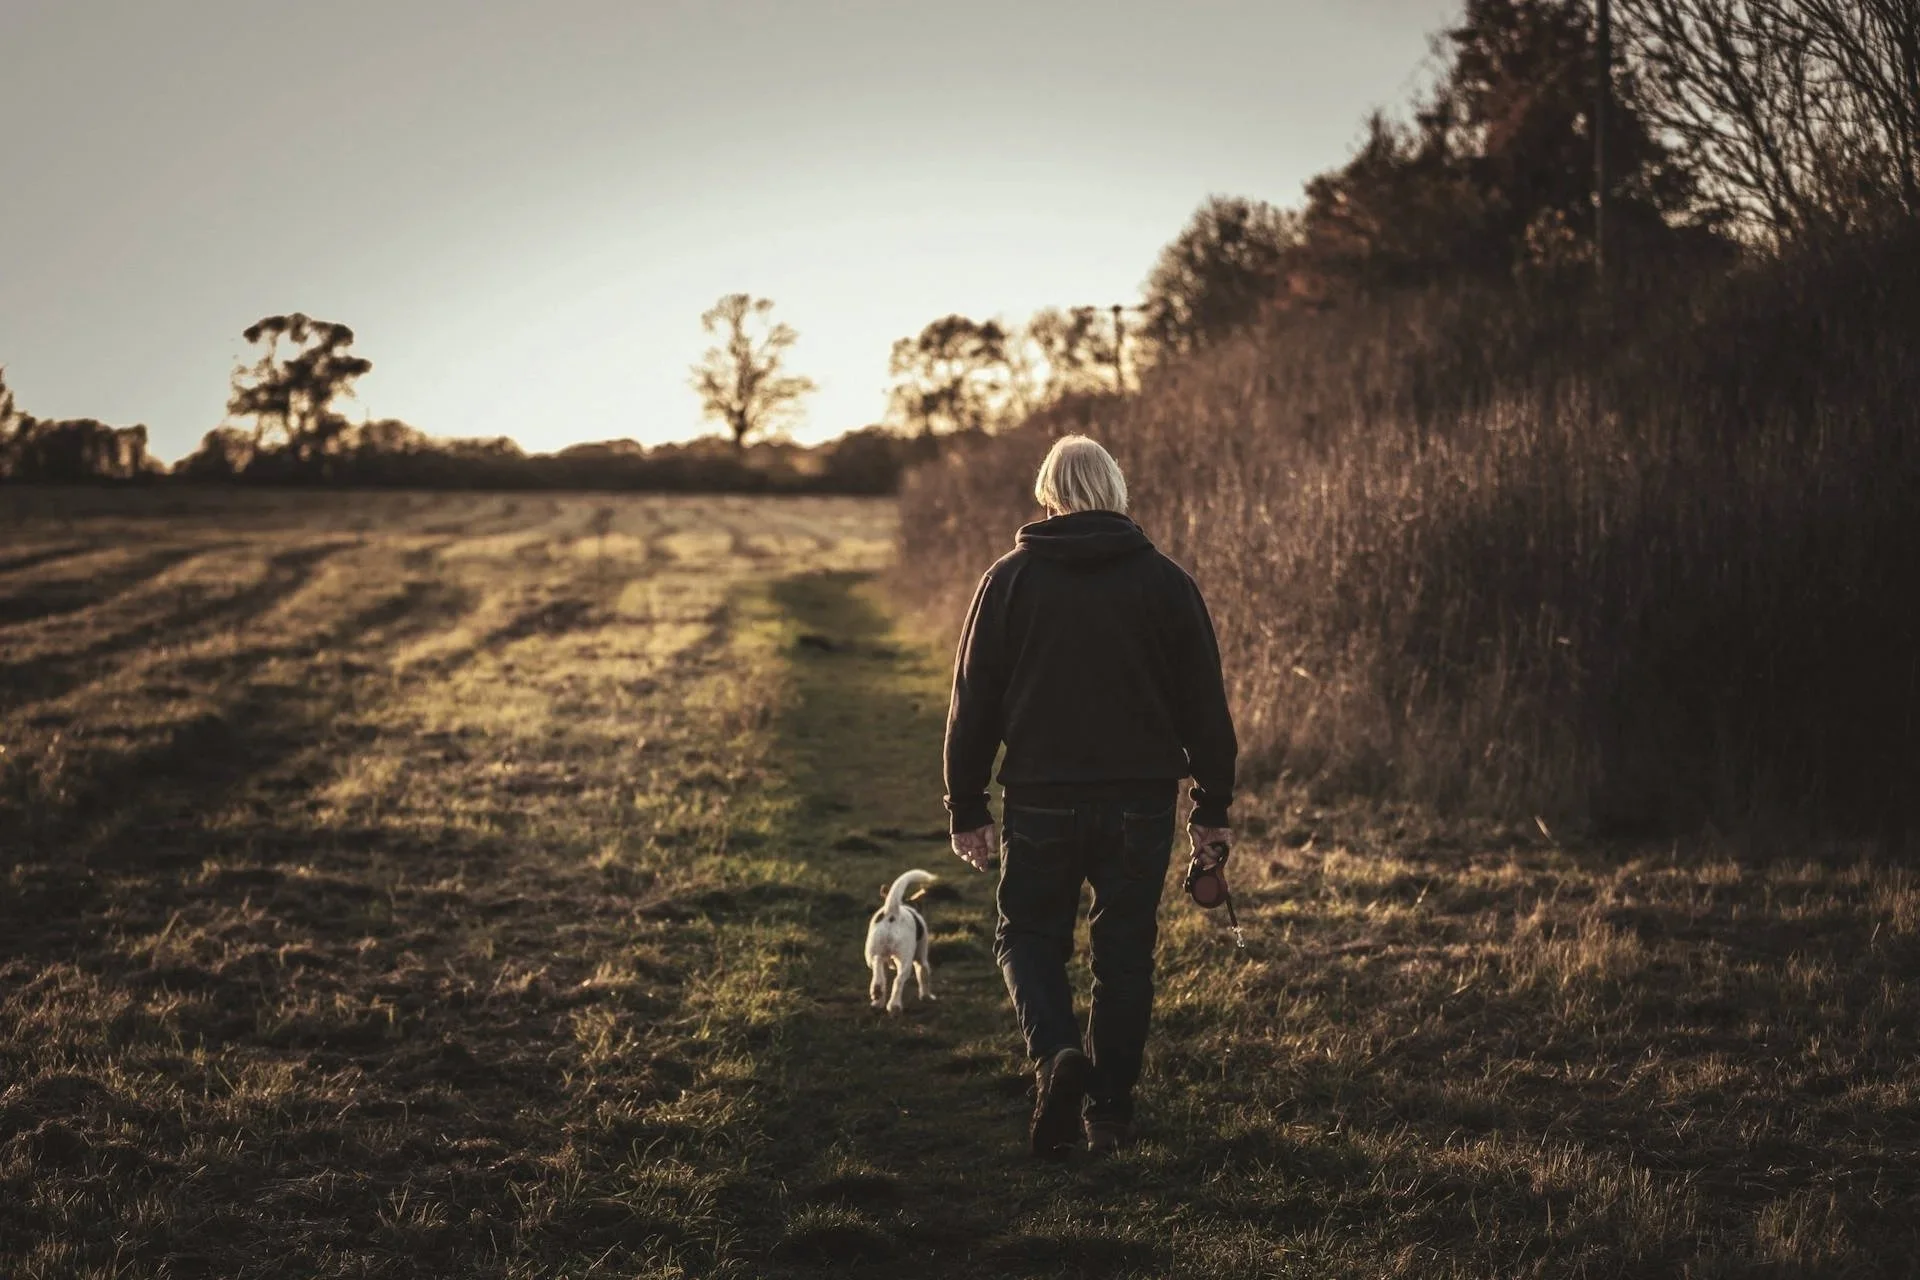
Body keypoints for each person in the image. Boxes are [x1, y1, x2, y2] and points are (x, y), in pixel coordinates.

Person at [943, 434, 1237, 1159]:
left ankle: (1056, 1057)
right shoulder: (1166, 582)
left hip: (1040, 798)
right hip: (1140, 801)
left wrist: (967, 805)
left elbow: (973, 702)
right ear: (1116, 491)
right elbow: (1207, 708)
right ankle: (1109, 1114)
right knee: (1124, 954)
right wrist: (1212, 808)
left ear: (1048, 494)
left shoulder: (1007, 581)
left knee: (1027, 936)